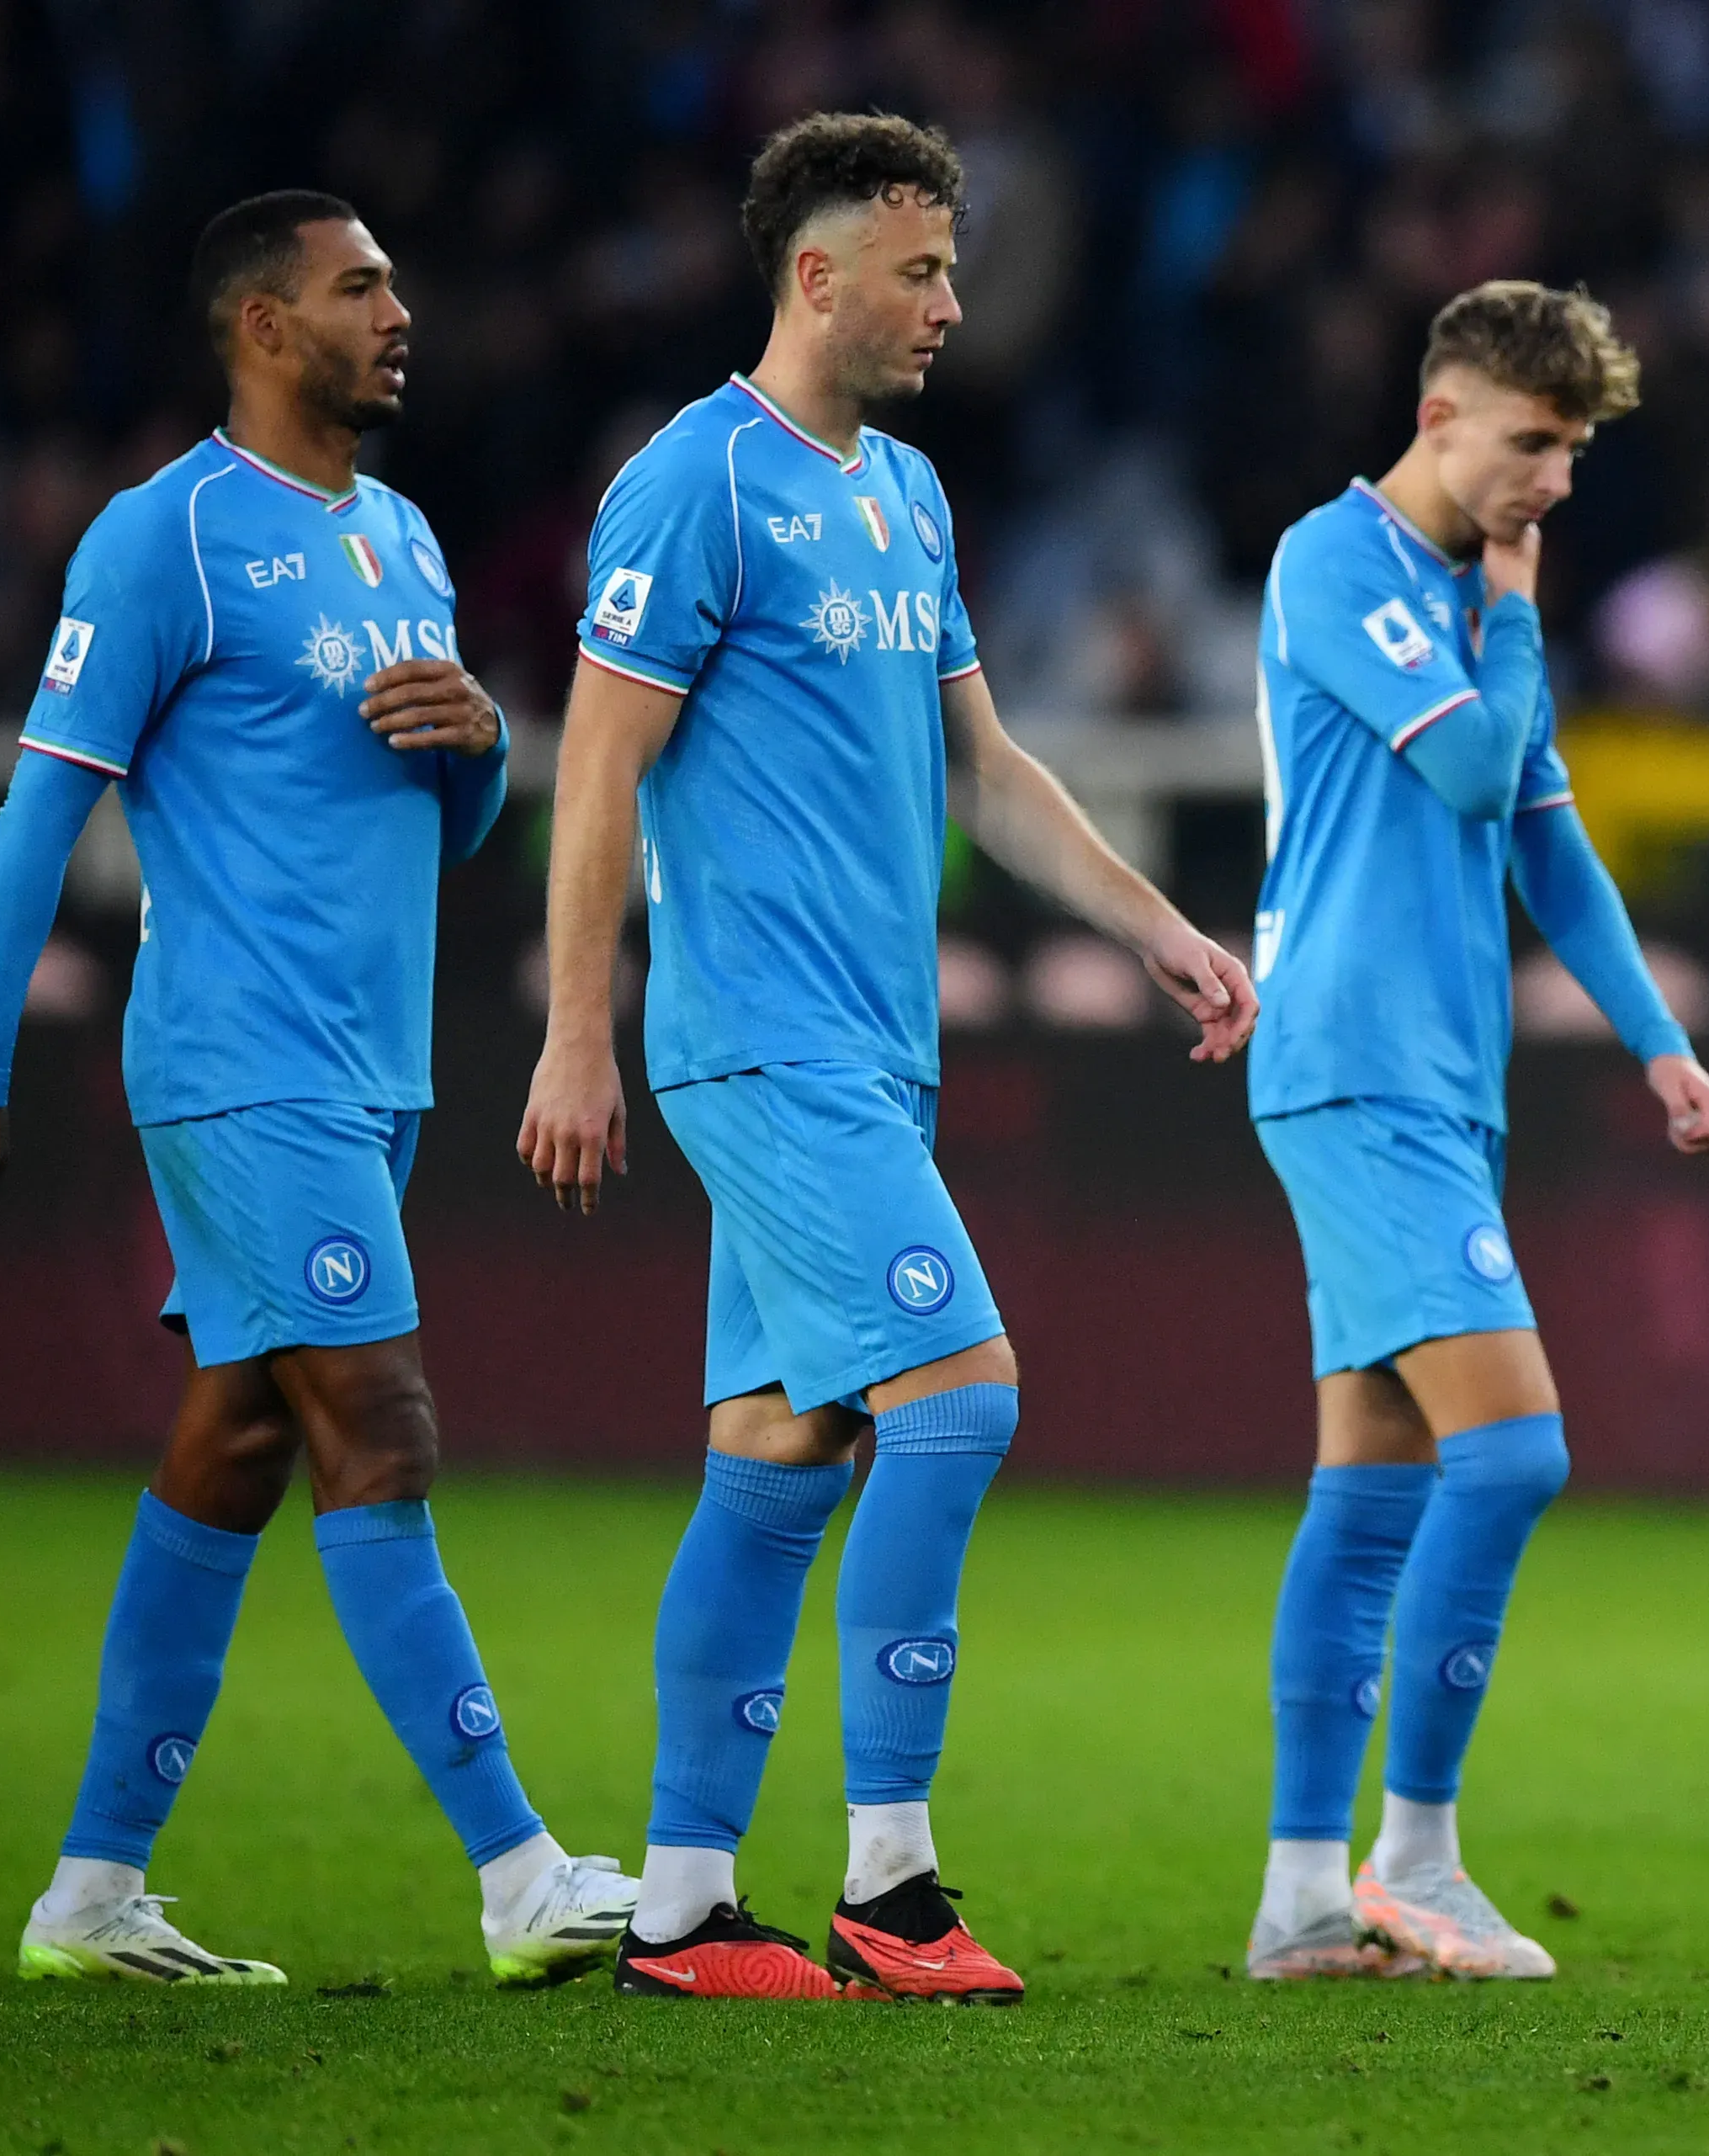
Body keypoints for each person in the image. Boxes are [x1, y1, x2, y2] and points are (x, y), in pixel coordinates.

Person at [518, 112, 1256, 2005]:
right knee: (961, 1397)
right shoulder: (694, 481)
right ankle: (892, 1885)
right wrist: (577, 1030)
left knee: (783, 1453)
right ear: (817, 276)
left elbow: (989, 774)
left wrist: (1162, 930)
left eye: (955, 265)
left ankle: (683, 1909)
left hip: (871, 1048)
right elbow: (596, 762)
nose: (952, 300)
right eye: (921, 270)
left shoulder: (908, 498)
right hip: (757, 1044)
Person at [0, 192, 636, 1990]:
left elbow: (443, 824)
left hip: (371, 1069)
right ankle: (520, 1869)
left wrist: (485, 755)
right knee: (380, 1431)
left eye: (395, 280)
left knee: (232, 1448)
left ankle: (90, 1892)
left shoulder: (401, 536)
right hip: (236, 1064)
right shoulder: (167, 542)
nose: (399, 312)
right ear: (260, 327)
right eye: (358, 287)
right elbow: (40, 809)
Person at [1239, 282, 1709, 1983]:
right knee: (1513, 1453)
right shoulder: (1336, 566)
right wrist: (1513, 609)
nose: (1556, 485)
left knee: (1369, 1485)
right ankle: (1418, 1859)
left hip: (1438, 1079)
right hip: (1350, 1066)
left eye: (1574, 453)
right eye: (1534, 445)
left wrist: (1658, 1042)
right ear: (1440, 414)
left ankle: (1303, 1900)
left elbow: (1547, 844)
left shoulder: (1460, 596)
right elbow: (1467, 779)